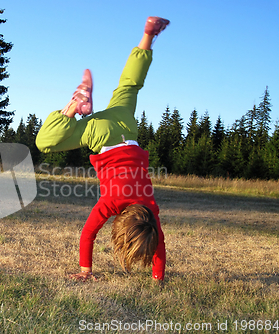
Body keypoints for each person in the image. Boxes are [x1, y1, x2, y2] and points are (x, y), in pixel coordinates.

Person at [35, 17, 170, 283]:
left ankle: (149, 35)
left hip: (126, 124)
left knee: (130, 85)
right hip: (103, 135)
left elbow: (160, 246)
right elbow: (88, 234)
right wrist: (86, 271)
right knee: (45, 143)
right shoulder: (112, 203)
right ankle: (75, 105)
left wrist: (159, 278)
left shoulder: (150, 208)